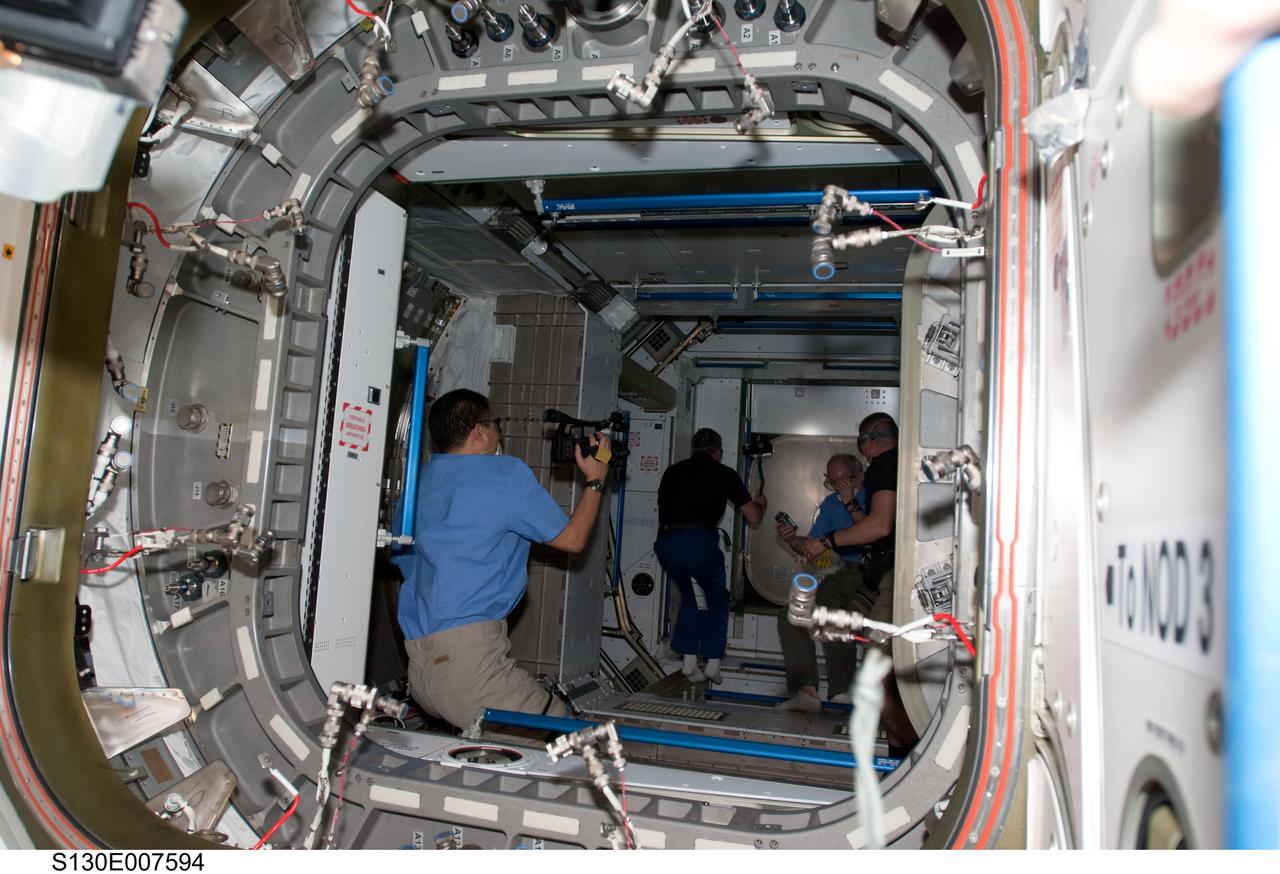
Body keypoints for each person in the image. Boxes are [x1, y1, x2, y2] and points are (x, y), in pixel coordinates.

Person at [393, 388, 610, 731]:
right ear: (479, 431)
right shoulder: (504, 473)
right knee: (574, 738)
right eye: (495, 424)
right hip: (470, 665)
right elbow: (573, 539)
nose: (499, 433)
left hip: (420, 670)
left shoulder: (417, 485)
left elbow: (405, 562)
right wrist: (596, 478)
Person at [801, 413, 919, 753]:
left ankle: (914, 750)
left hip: (893, 575)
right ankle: (900, 748)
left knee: (875, 671)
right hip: (891, 574)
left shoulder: (883, 466)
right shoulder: (906, 462)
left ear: (867, 443)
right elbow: (876, 526)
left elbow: (879, 528)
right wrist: (848, 503)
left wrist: (827, 543)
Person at [655, 428, 767, 684]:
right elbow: (754, 517)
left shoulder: (672, 471)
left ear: (694, 449)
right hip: (698, 544)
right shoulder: (724, 473)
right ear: (718, 452)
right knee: (717, 598)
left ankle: (689, 661)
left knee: (693, 597)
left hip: (667, 543)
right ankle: (714, 662)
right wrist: (761, 503)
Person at [773, 453, 870, 713]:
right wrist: (791, 539)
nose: (837, 490)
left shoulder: (875, 497)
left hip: (875, 574)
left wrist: (851, 501)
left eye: (843, 483)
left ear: (859, 475)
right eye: (832, 484)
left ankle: (842, 690)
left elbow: (875, 533)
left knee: (836, 613)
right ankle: (806, 692)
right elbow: (812, 549)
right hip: (846, 571)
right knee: (790, 616)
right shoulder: (831, 505)